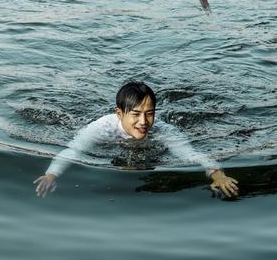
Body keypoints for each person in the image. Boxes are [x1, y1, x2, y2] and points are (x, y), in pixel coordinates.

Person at [33, 81, 239, 198]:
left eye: (149, 113)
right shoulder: (101, 128)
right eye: (136, 114)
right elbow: (73, 150)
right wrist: (52, 175)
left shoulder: (162, 129)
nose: (144, 122)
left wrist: (217, 174)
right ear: (119, 113)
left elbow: (191, 154)